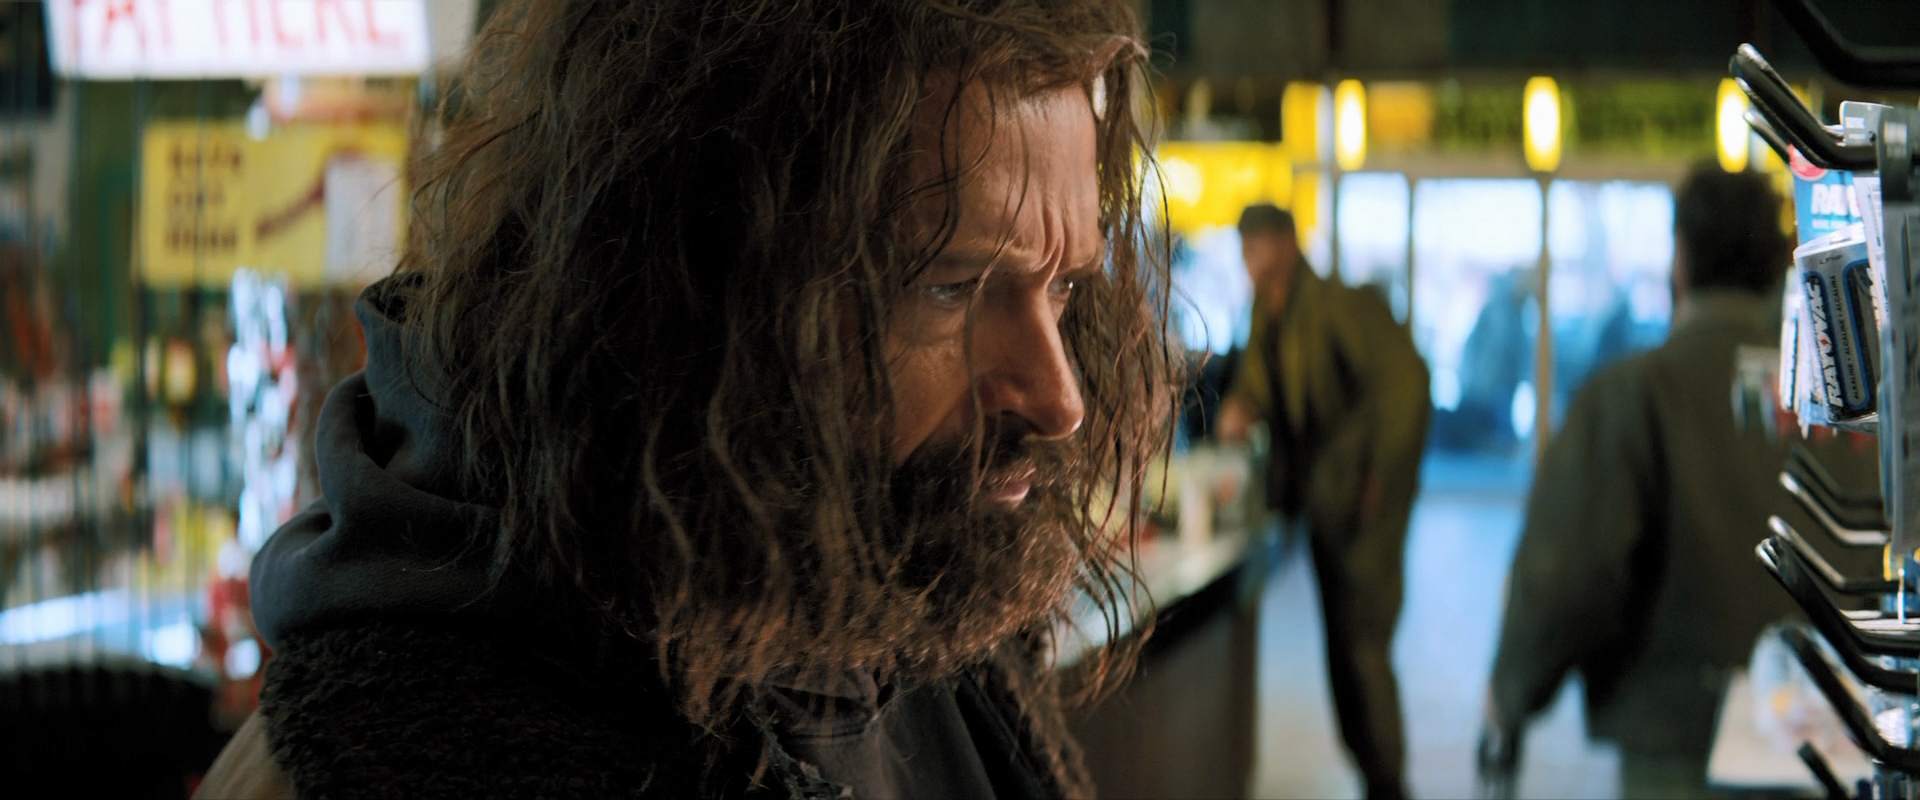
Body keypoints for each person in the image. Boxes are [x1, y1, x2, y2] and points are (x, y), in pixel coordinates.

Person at [194, 1, 1175, 797]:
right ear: (697, 278)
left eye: (1064, 285)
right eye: (950, 287)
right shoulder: (375, 758)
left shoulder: (903, 600)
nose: (1060, 400)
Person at [1480, 164, 1879, 798]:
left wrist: (1510, 695)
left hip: (1681, 746)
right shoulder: (1849, 406)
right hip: (1838, 742)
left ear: (1680, 262)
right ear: (1779, 263)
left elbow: (1567, 576)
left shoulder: (1634, 396)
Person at [1217, 203, 1432, 800]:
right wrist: (1241, 407)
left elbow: (1407, 384)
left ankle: (1388, 780)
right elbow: (1263, 382)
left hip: (1362, 503)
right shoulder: (1270, 312)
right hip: (1324, 503)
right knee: (1342, 644)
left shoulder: (1338, 304)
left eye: (1258, 246)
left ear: (1287, 244)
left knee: (1362, 639)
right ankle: (1372, 770)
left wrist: (1379, 477)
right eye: (1244, 248)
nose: (1249, 260)